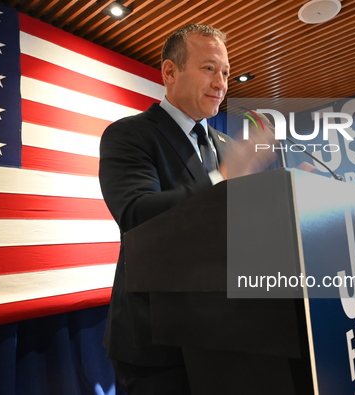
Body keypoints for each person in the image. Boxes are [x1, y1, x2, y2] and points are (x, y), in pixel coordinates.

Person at [98, 24, 274, 394]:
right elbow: (136, 214)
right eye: (209, 68)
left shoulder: (227, 147)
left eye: (225, 72)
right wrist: (221, 179)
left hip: (232, 338)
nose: (221, 82)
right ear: (170, 72)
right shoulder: (129, 134)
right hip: (158, 344)